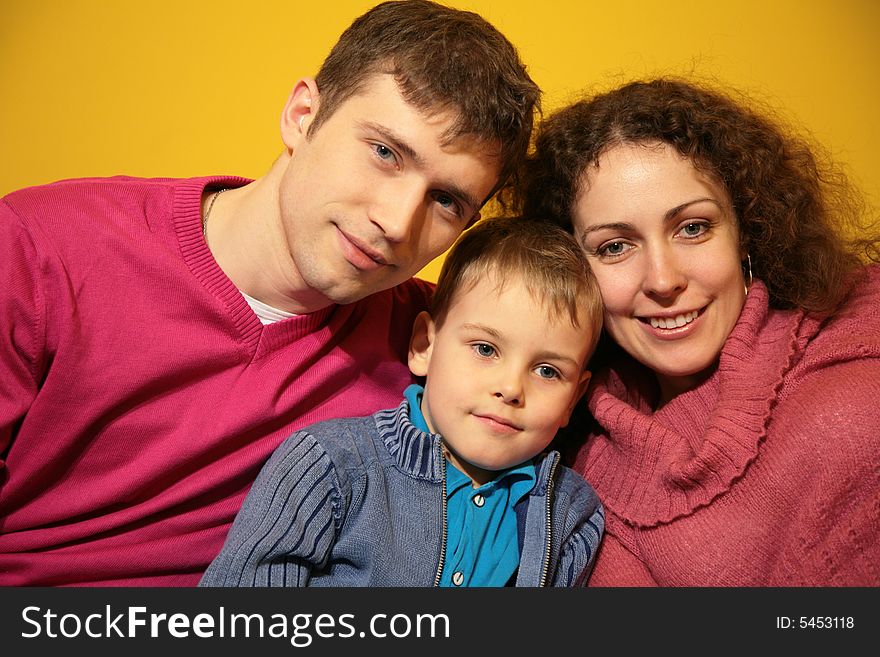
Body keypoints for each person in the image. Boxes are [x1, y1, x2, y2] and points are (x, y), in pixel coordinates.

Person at [0, 0, 540, 586]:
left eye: (446, 201)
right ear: (302, 114)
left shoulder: (442, 344)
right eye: (385, 153)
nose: (396, 222)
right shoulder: (41, 247)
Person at [521, 78, 880, 586]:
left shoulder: (861, 321)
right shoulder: (580, 484)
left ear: (746, 230)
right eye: (615, 247)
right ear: (568, 272)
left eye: (692, 228)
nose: (664, 280)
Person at [199, 217, 605, 587]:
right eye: (485, 349)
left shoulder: (571, 516)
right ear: (424, 346)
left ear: (574, 398)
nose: (511, 388)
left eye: (548, 371)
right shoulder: (330, 467)